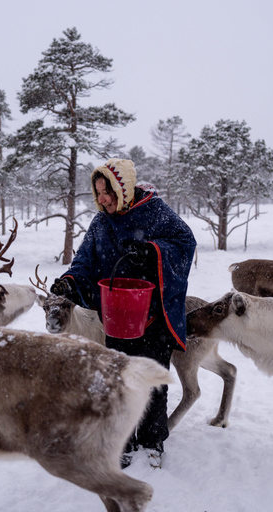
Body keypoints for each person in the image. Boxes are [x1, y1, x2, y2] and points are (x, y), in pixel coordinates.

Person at [50, 158, 196, 469]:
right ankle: (124, 438)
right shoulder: (101, 222)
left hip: (154, 314)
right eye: (98, 193)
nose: (103, 199)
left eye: (108, 192)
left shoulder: (154, 211)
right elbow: (84, 262)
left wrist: (152, 251)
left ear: (124, 188)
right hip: (118, 316)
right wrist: (68, 282)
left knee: (152, 378)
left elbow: (185, 243)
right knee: (119, 378)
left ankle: (153, 440)